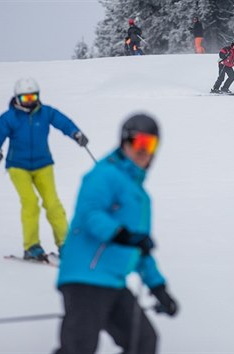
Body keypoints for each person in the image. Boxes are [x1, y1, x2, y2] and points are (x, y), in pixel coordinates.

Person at [56, 113, 178, 354]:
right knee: (79, 348)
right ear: (124, 142)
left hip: (114, 281)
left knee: (143, 342)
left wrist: (159, 288)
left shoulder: (139, 196)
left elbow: (139, 247)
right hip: (85, 277)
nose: (143, 150)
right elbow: (90, 214)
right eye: (137, 142)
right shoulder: (104, 174)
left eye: (150, 144)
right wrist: (122, 235)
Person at [0, 78, 88, 261]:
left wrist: (76, 133)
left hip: (43, 165)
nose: (30, 101)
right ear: (17, 98)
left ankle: (66, 244)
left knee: (53, 204)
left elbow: (63, 122)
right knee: (30, 203)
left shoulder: (45, 112)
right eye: (25, 98)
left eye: (33, 96)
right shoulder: (9, 117)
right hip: (18, 167)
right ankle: (31, 246)